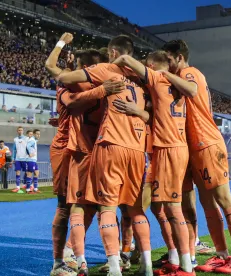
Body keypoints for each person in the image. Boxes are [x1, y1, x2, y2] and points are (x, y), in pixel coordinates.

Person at [58, 34, 152, 276]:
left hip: (106, 146)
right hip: (139, 148)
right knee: (133, 209)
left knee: (101, 208)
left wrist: (60, 46)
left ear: (112, 53)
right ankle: (143, 264)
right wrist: (142, 114)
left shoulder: (105, 70)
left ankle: (110, 267)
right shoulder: (141, 79)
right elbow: (154, 114)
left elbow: (61, 77)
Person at [160, 40, 231, 274]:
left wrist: (163, 73)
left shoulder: (190, 73)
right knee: (208, 204)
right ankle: (222, 255)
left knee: (223, 198)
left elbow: (191, 90)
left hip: (208, 143)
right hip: (195, 147)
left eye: (169, 60)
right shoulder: (181, 76)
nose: (167, 66)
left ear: (179, 57)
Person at [45, 33, 126, 276]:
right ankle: (60, 262)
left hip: (93, 150)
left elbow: (52, 68)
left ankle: (82, 255)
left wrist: (61, 43)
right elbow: (71, 102)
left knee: (96, 206)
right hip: (69, 149)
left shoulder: (96, 84)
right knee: (66, 206)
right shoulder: (99, 85)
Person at [112, 51, 193, 275]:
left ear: (150, 65)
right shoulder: (175, 84)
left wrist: (108, 69)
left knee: (170, 209)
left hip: (168, 149)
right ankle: (176, 257)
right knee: (160, 208)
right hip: (171, 148)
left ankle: (185, 265)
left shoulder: (158, 77)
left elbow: (127, 59)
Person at [12, 126, 28, 193]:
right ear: (17, 131)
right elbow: (14, 150)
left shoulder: (27, 139)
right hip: (18, 159)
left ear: (23, 131)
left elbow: (28, 148)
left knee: (27, 172)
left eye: (21, 130)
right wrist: (13, 158)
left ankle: (26, 184)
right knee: (17, 172)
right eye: (19, 130)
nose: (20, 131)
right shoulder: (15, 139)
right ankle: (17, 187)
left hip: (25, 159)